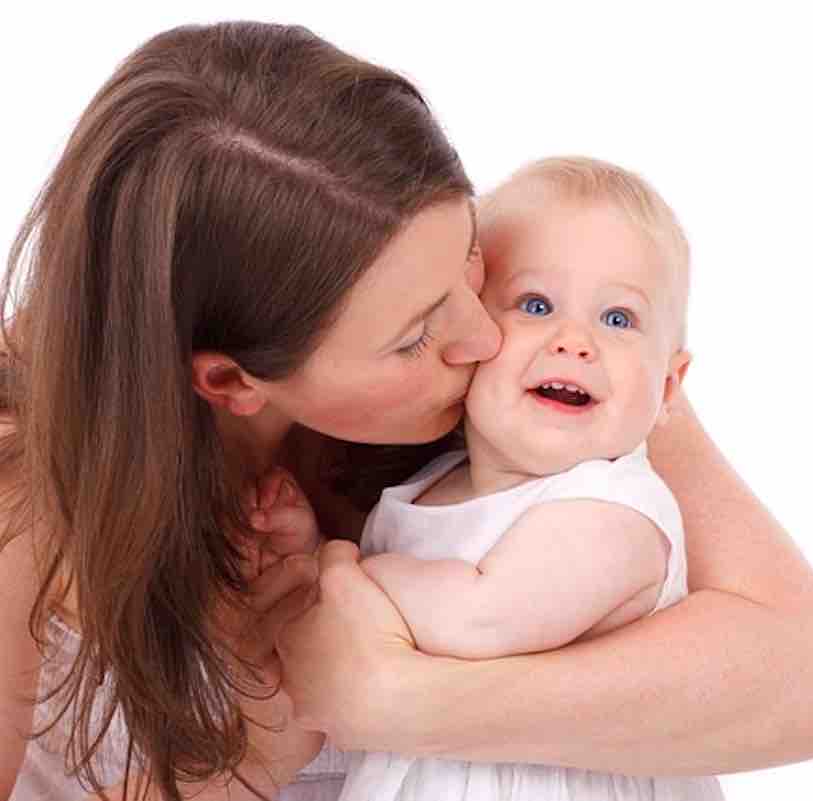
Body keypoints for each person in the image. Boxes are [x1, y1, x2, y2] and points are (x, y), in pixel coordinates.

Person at [0, 20, 813, 801]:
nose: (484, 334)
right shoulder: (22, 488)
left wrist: (401, 698)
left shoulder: (550, 348)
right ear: (231, 380)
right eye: (415, 336)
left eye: (469, 256)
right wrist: (255, 752)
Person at [259, 156, 722, 800]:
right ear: (472, 333)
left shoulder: (613, 510)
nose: (574, 341)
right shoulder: (427, 487)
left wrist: (334, 571)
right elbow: (378, 620)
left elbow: (476, 620)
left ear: (668, 386)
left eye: (618, 319)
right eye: (536, 305)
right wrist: (301, 551)